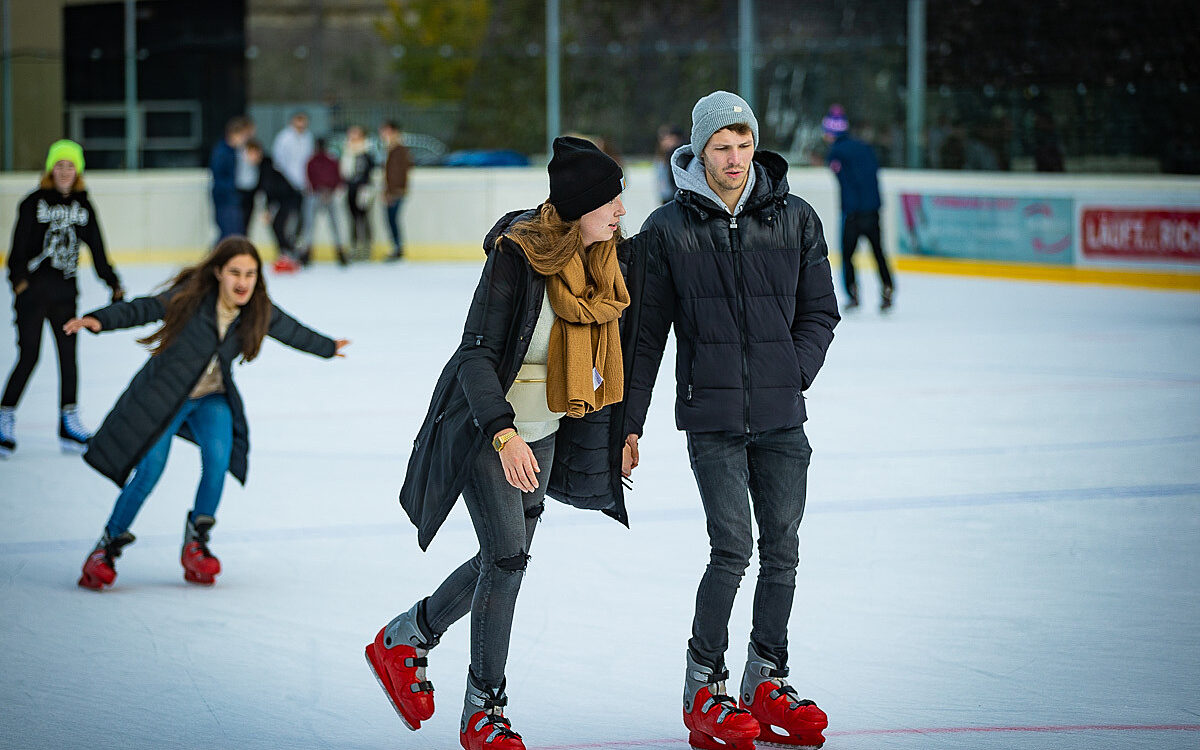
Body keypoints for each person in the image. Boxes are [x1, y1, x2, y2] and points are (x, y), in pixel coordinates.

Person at [365, 136, 633, 750]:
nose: (621, 211)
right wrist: (504, 433)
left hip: (547, 432)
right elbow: (476, 354)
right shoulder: (518, 257)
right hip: (490, 428)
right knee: (508, 560)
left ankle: (408, 636)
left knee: (503, 559)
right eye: (611, 201)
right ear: (580, 206)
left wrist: (623, 431)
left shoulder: (604, 263)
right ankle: (483, 710)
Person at [622, 91, 839, 750]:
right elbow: (644, 337)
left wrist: (792, 371)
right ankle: (704, 685)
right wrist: (629, 424)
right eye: (722, 147)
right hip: (712, 418)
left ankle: (766, 678)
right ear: (700, 150)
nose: (735, 158)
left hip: (782, 416)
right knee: (732, 549)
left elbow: (820, 311)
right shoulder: (667, 228)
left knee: (783, 550)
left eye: (744, 145)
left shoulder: (795, 217)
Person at [64, 236, 349, 590]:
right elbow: (145, 308)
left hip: (211, 397)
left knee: (218, 459)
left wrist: (327, 347)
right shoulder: (191, 298)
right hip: (165, 396)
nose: (243, 282)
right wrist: (99, 319)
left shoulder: (257, 308)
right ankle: (105, 548)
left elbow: (290, 330)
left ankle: (196, 544)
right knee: (150, 470)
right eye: (235, 272)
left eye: (250, 274)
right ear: (218, 272)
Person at [1, 139, 123, 458]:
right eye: (60, 165)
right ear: (50, 169)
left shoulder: (84, 207)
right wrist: (19, 284)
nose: (65, 171)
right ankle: (4, 415)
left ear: (78, 171)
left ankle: (68, 422)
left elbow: (97, 248)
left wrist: (112, 281)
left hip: (65, 297)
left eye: (71, 165)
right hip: (32, 297)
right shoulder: (32, 203)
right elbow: (17, 250)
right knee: (29, 356)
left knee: (68, 358)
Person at [823, 104, 895, 311]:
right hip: (872, 210)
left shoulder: (836, 152)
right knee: (878, 252)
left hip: (852, 212)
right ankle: (887, 288)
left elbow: (845, 179)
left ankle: (852, 293)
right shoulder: (865, 147)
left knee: (848, 255)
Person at [243, 140, 304, 272]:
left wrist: (268, 209)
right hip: (283, 201)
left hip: (289, 199)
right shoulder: (260, 167)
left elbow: (270, 189)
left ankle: (290, 254)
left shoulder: (266, 166)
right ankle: (285, 254)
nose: (249, 157)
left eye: (251, 153)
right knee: (277, 226)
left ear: (258, 152)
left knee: (281, 227)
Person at [271, 112, 315, 245]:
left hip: (304, 186)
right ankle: (286, 245)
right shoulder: (284, 138)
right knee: (288, 218)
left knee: (304, 218)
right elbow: (279, 163)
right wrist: (289, 182)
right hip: (287, 185)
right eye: (298, 121)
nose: (301, 124)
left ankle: (299, 246)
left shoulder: (308, 137)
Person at [305, 137, 348, 266]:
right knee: (330, 224)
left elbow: (310, 178)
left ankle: (308, 252)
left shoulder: (314, 161)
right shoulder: (329, 161)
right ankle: (339, 252)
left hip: (322, 194)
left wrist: (323, 189)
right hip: (323, 194)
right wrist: (328, 189)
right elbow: (337, 178)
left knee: (311, 225)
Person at [211, 116, 254, 242]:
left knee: (235, 232)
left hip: (233, 197)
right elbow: (218, 176)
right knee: (229, 233)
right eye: (242, 136)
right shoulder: (222, 152)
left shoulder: (235, 152)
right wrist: (232, 189)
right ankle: (216, 254)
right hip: (224, 198)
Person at [340, 125, 376, 261]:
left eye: (355, 133)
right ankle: (354, 247)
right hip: (350, 189)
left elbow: (370, 169)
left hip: (364, 190)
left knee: (364, 218)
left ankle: (366, 248)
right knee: (353, 219)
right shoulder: (346, 151)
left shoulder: (367, 151)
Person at [379, 120, 413, 260]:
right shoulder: (391, 149)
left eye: (386, 131)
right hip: (393, 191)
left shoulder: (399, 150)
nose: (383, 134)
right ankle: (397, 247)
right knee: (391, 220)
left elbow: (398, 173)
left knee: (392, 220)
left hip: (395, 192)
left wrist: (392, 192)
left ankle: (398, 248)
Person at [236, 118, 261, 235]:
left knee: (247, 222)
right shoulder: (238, 148)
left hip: (251, 189)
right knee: (238, 222)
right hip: (240, 189)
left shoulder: (254, 146)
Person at [655, 125, 685, 204]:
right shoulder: (662, 156)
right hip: (665, 196)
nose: (664, 142)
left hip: (674, 196)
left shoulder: (679, 157)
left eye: (666, 138)